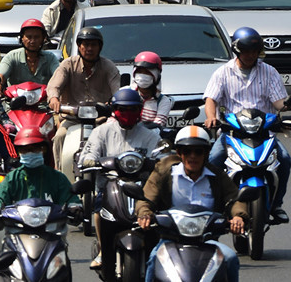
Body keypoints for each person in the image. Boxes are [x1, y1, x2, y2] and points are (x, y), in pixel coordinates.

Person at [135, 126, 247, 282]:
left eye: (198, 151)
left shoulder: (217, 176)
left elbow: (234, 199)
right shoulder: (164, 172)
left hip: (207, 241)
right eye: (187, 151)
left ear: (206, 153)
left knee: (230, 258)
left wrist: (238, 217)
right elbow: (146, 198)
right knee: (154, 258)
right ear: (179, 153)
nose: (192, 156)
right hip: (171, 239)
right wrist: (145, 214)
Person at [204, 26, 290, 223]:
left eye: (254, 51)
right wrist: (211, 117)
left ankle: (276, 204)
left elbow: (278, 103)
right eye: (246, 51)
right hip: (233, 133)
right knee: (213, 159)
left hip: (264, 133)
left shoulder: (269, 71)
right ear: (237, 51)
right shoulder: (223, 72)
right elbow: (211, 100)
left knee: (285, 160)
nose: (251, 55)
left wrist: (286, 105)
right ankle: (211, 204)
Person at [80, 88, 162, 279]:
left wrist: (159, 162)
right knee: (100, 212)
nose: (127, 114)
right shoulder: (102, 132)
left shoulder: (150, 135)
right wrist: (93, 161)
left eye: (133, 109)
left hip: (143, 188)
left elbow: (162, 156)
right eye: (122, 109)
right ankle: (103, 247)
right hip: (111, 186)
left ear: (140, 111)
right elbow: (87, 155)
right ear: (114, 110)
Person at [47, 26, 120, 168]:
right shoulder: (68, 64)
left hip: (101, 120)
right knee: (59, 137)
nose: (89, 49)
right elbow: (54, 86)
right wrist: (54, 99)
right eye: (86, 45)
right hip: (72, 118)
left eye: (93, 45)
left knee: (113, 137)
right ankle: (60, 173)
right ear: (79, 47)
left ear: (100, 47)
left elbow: (117, 92)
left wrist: (113, 103)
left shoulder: (108, 66)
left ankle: (111, 171)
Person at [0, 128, 81, 213]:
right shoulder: (12, 178)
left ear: (44, 150)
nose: (30, 153)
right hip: (18, 227)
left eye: (35, 149)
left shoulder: (57, 177)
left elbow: (71, 198)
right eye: (25, 150)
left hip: (51, 227)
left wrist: (75, 208)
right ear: (19, 152)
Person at [0, 19, 60, 93]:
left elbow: (59, 77)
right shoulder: (12, 56)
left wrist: (55, 96)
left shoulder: (50, 58)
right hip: (15, 103)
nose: (32, 41)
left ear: (43, 39)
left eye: (37, 37)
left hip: (44, 103)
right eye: (29, 37)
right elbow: (0, 77)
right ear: (22, 38)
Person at [132, 51, 173, 127]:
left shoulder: (163, 101)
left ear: (157, 75)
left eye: (147, 72)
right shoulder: (125, 93)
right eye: (140, 71)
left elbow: (157, 126)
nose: (142, 76)